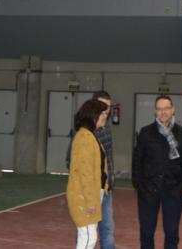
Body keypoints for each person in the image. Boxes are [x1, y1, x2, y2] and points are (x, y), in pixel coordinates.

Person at [132, 95, 182, 249]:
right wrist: (139, 185)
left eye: (166, 108)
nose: (163, 112)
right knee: (146, 233)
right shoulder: (146, 133)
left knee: (172, 233)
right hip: (148, 191)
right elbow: (137, 160)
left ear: (173, 110)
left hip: (173, 191)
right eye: (159, 109)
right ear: (155, 112)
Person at [66, 91, 116, 249]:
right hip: (86, 196)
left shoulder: (90, 135)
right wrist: (90, 201)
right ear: (93, 115)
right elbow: (85, 173)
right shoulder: (85, 138)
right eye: (102, 113)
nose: (105, 116)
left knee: (89, 235)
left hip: (96, 192)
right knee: (88, 238)